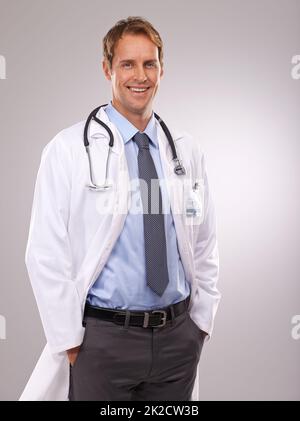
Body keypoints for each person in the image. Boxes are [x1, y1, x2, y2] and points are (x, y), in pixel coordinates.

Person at [20, 16, 220, 401]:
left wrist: (200, 325)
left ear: (162, 69)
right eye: (127, 64)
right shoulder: (67, 150)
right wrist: (74, 345)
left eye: (150, 64)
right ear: (107, 68)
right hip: (103, 342)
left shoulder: (185, 151)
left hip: (177, 341)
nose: (139, 76)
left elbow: (205, 243)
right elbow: (44, 253)